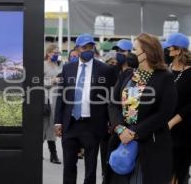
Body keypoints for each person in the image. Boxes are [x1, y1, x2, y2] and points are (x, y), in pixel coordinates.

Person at [105, 33, 177, 184]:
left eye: (135, 49)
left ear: (147, 52)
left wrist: (135, 132)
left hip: (150, 145)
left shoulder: (165, 77)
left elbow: (165, 112)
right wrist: (120, 129)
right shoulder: (128, 74)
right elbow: (113, 103)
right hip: (121, 140)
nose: (131, 53)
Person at [55, 33, 116, 184]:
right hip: (70, 124)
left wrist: (110, 121)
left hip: (92, 125)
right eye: (84, 47)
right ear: (77, 49)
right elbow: (61, 96)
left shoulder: (104, 70)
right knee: (68, 167)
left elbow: (110, 99)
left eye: (91, 47)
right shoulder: (68, 68)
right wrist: (57, 121)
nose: (88, 50)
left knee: (90, 169)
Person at [164, 33, 191, 184]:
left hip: (182, 131)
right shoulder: (165, 70)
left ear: (178, 50)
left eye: (169, 48)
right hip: (162, 129)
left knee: (179, 173)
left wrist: (173, 122)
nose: (166, 51)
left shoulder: (189, 73)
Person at [44, 44, 62, 164]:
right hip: (45, 98)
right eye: (55, 52)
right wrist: (52, 81)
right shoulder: (43, 65)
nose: (57, 55)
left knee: (51, 125)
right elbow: (36, 80)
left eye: (58, 53)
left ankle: (53, 154)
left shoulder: (58, 65)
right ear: (49, 53)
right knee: (42, 125)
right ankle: (36, 151)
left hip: (55, 99)